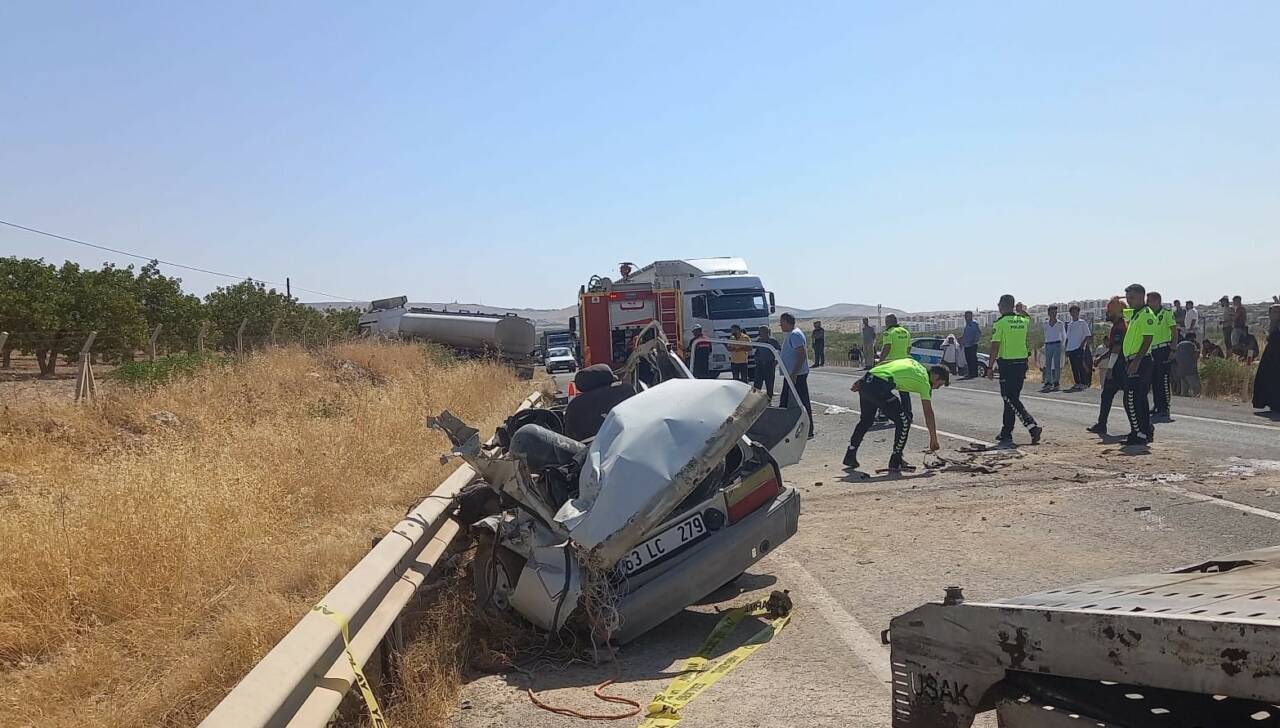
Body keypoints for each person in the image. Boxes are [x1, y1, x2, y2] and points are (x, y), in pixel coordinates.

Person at [843, 359, 948, 473]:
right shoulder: (924, 383)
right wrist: (933, 439)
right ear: (936, 376)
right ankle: (896, 460)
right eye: (940, 384)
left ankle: (850, 455)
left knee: (866, 421)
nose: (937, 388)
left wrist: (862, 380)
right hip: (880, 386)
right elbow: (928, 412)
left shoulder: (914, 363)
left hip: (868, 379)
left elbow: (885, 363)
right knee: (904, 422)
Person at [988, 294, 1043, 445]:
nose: (998, 307)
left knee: (1009, 397)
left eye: (999, 304)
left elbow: (995, 346)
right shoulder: (1021, 320)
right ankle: (1006, 432)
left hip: (1008, 364)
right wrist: (1021, 310)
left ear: (1003, 306)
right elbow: (1028, 318)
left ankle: (1032, 426)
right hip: (1021, 364)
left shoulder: (1000, 323)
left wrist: (990, 366)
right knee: (1011, 400)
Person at [1119, 283, 1158, 446]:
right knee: (1139, 399)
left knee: (1131, 399)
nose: (1129, 301)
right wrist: (1117, 300)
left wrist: (1136, 361)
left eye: (1132, 298)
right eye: (1127, 298)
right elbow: (1120, 310)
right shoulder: (1135, 313)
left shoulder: (1146, 315)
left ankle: (1139, 432)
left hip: (1140, 361)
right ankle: (1144, 430)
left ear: (1142, 296)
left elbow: (1148, 340)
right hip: (1134, 360)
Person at [1087, 297, 1128, 435]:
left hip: (1120, 367)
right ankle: (1101, 424)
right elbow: (1112, 349)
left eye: (1109, 311)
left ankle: (1143, 428)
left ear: (1116, 312)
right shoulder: (1118, 325)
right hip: (1120, 365)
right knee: (1108, 395)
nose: (1107, 314)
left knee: (1129, 399)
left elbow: (1116, 349)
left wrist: (1110, 368)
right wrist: (1100, 358)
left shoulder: (1120, 327)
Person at [778, 313, 814, 438]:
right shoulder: (791, 335)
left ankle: (808, 430)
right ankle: (784, 429)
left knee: (801, 402)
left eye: (781, 322)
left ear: (787, 322)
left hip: (796, 375)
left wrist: (795, 373)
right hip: (790, 375)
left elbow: (801, 354)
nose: (780, 325)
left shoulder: (795, 335)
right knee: (786, 401)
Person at [878, 314, 914, 421]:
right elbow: (909, 347)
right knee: (904, 390)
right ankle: (908, 414)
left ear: (889, 322)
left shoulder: (888, 332)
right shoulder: (905, 332)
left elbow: (887, 347)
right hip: (904, 364)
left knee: (883, 389)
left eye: (886, 321)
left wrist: (881, 361)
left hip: (891, 364)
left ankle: (884, 413)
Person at [1148, 292, 1174, 418]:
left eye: (1150, 300)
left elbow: (1174, 331)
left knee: (1163, 379)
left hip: (1164, 349)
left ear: (1157, 301)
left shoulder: (1167, 313)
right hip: (1152, 350)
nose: (1148, 303)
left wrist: (1173, 350)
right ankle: (1157, 405)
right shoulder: (1149, 315)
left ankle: (1165, 407)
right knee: (1154, 379)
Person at [1253, 304, 1280, 411]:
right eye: (1274, 312)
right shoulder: (1273, 324)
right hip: (1272, 354)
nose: (1276, 314)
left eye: (1278, 312)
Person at [1064, 304, 1094, 391]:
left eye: (1076, 312)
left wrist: (1082, 345)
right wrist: (1066, 348)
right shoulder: (1070, 324)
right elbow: (1068, 337)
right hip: (1070, 348)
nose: (1074, 313)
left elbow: (1087, 335)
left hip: (1078, 348)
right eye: (1072, 312)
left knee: (1080, 366)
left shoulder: (1082, 323)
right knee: (1074, 367)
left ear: (1078, 312)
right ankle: (1077, 382)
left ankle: (1084, 383)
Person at [1041, 305, 1066, 392]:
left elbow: (1063, 335)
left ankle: (1056, 382)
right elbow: (1045, 334)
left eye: (1055, 312)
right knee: (1048, 364)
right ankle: (1048, 381)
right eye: (1052, 312)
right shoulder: (1045, 324)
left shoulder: (1060, 323)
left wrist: (1062, 345)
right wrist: (1045, 344)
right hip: (1048, 344)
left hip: (1057, 344)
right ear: (1048, 313)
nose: (1053, 314)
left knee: (1057, 364)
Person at [753, 325, 779, 399]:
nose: (760, 333)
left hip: (769, 364)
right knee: (757, 384)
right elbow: (756, 351)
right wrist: (756, 359)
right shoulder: (759, 341)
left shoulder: (773, 341)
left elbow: (779, 350)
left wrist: (776, 361)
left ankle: (769, 400)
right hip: (760, 365)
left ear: (766, 332)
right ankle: (755, 399)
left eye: (761, 331)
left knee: (769, 384)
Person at [1175, 332, 1201, 398]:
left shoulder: (1179, 344)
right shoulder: (1192, 345)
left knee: (1184, 389)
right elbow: (1195, 355)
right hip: (1190, 369)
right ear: (1192, 337)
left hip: (1180, 369)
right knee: (1196, 388)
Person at [960, 311, 981, 378]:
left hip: (972, 345)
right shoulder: (966, 325)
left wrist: (974, 341)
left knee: (973, 360)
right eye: (965, 316)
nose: (966, 317)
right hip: (966, 345)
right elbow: (965, 335)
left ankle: (974, 374)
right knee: (968, 359)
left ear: (971, 316)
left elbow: (978, 333)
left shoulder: (974, 324)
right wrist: (961, 339)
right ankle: (970, 373)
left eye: (968, 316)